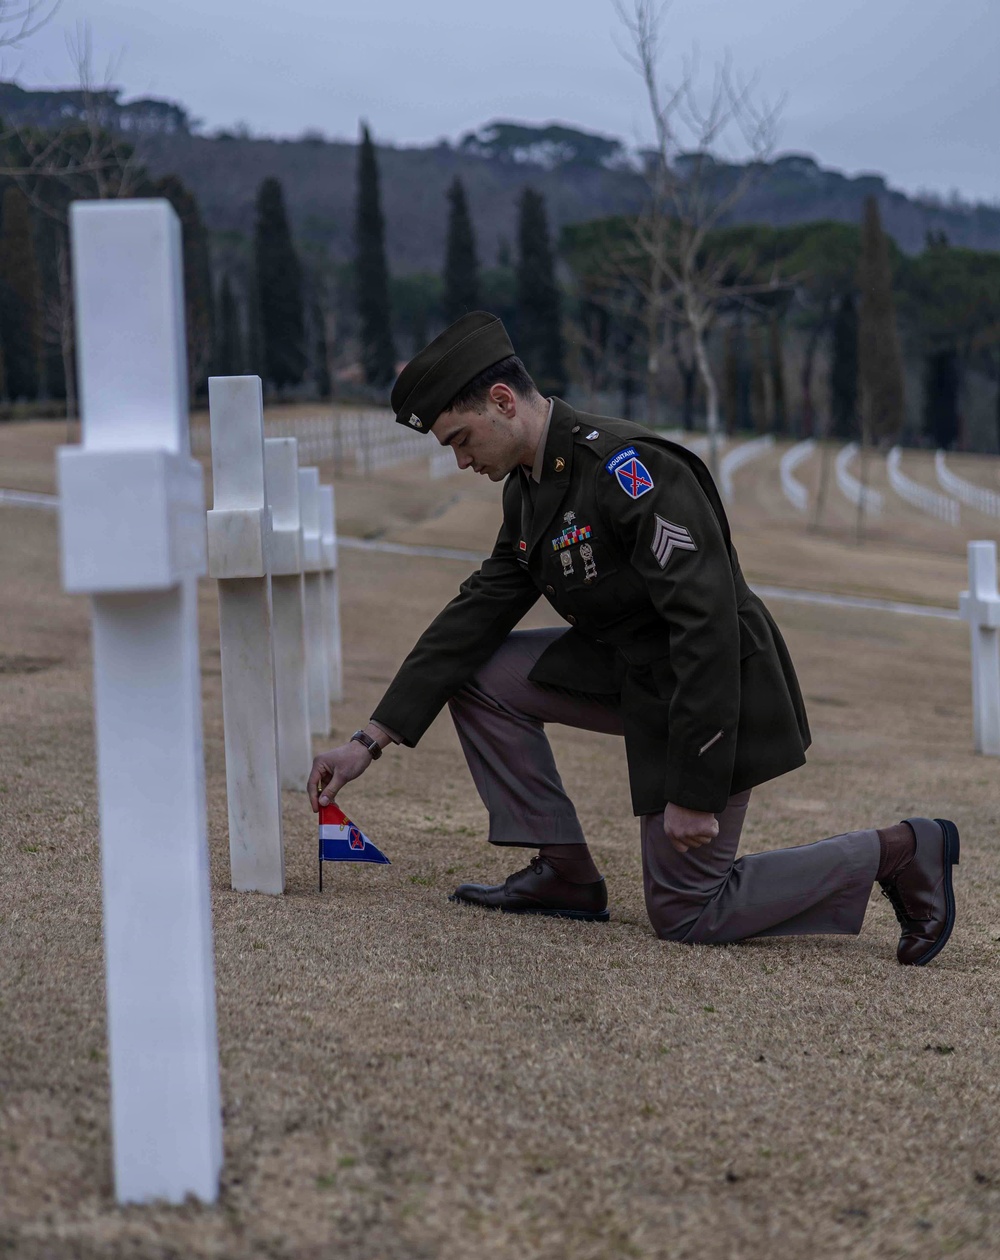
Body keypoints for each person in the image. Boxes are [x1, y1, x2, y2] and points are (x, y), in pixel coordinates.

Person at [307, 312, 959, 965]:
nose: (460, 460)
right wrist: (371, 737)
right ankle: (564, 872)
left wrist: (694, 791)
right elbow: (477, 612)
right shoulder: (531, 488)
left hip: (714, 685)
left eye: (461, 438)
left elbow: (706, 626)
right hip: (635, 678)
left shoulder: (628, 470)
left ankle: (901, 850)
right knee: (477, 672)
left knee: (688, 912)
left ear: (503, 403)